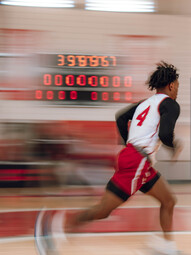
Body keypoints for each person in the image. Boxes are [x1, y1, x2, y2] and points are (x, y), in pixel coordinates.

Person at [41, 61, 183, 255]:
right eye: (177, 86)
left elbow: (121, 117)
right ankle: (58, 227)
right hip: (137, 162)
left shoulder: (145, 104)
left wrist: (129, 144)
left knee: (168, 200)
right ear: (171, 85)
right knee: (103, 211)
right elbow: (166, 135)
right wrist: (175, 146)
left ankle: (166, 247)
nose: (177, 91)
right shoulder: (171, 104)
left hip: (137, 160)